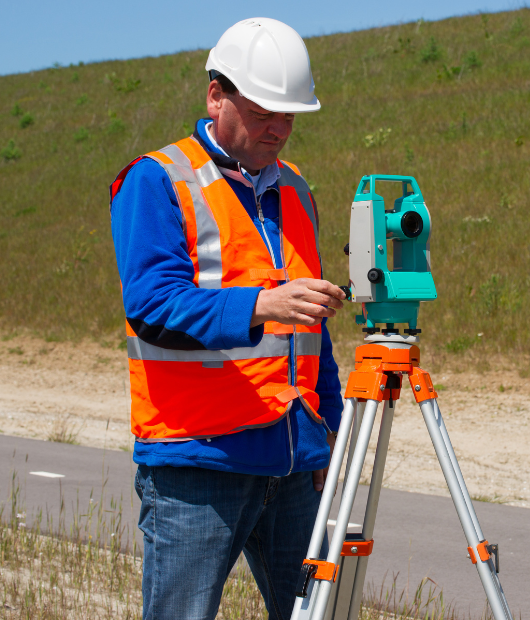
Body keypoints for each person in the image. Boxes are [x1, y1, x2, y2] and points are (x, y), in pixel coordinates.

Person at [109, 17, 346, 620]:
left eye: (290, 115)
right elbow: (153, 307)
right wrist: (261, 305)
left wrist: (332, 429)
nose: (279, 128)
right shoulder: (159, 180)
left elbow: (311, 328)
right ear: (216, 94)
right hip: (198, 463)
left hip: (295, 460)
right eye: (265, 110)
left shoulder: (297, 189)